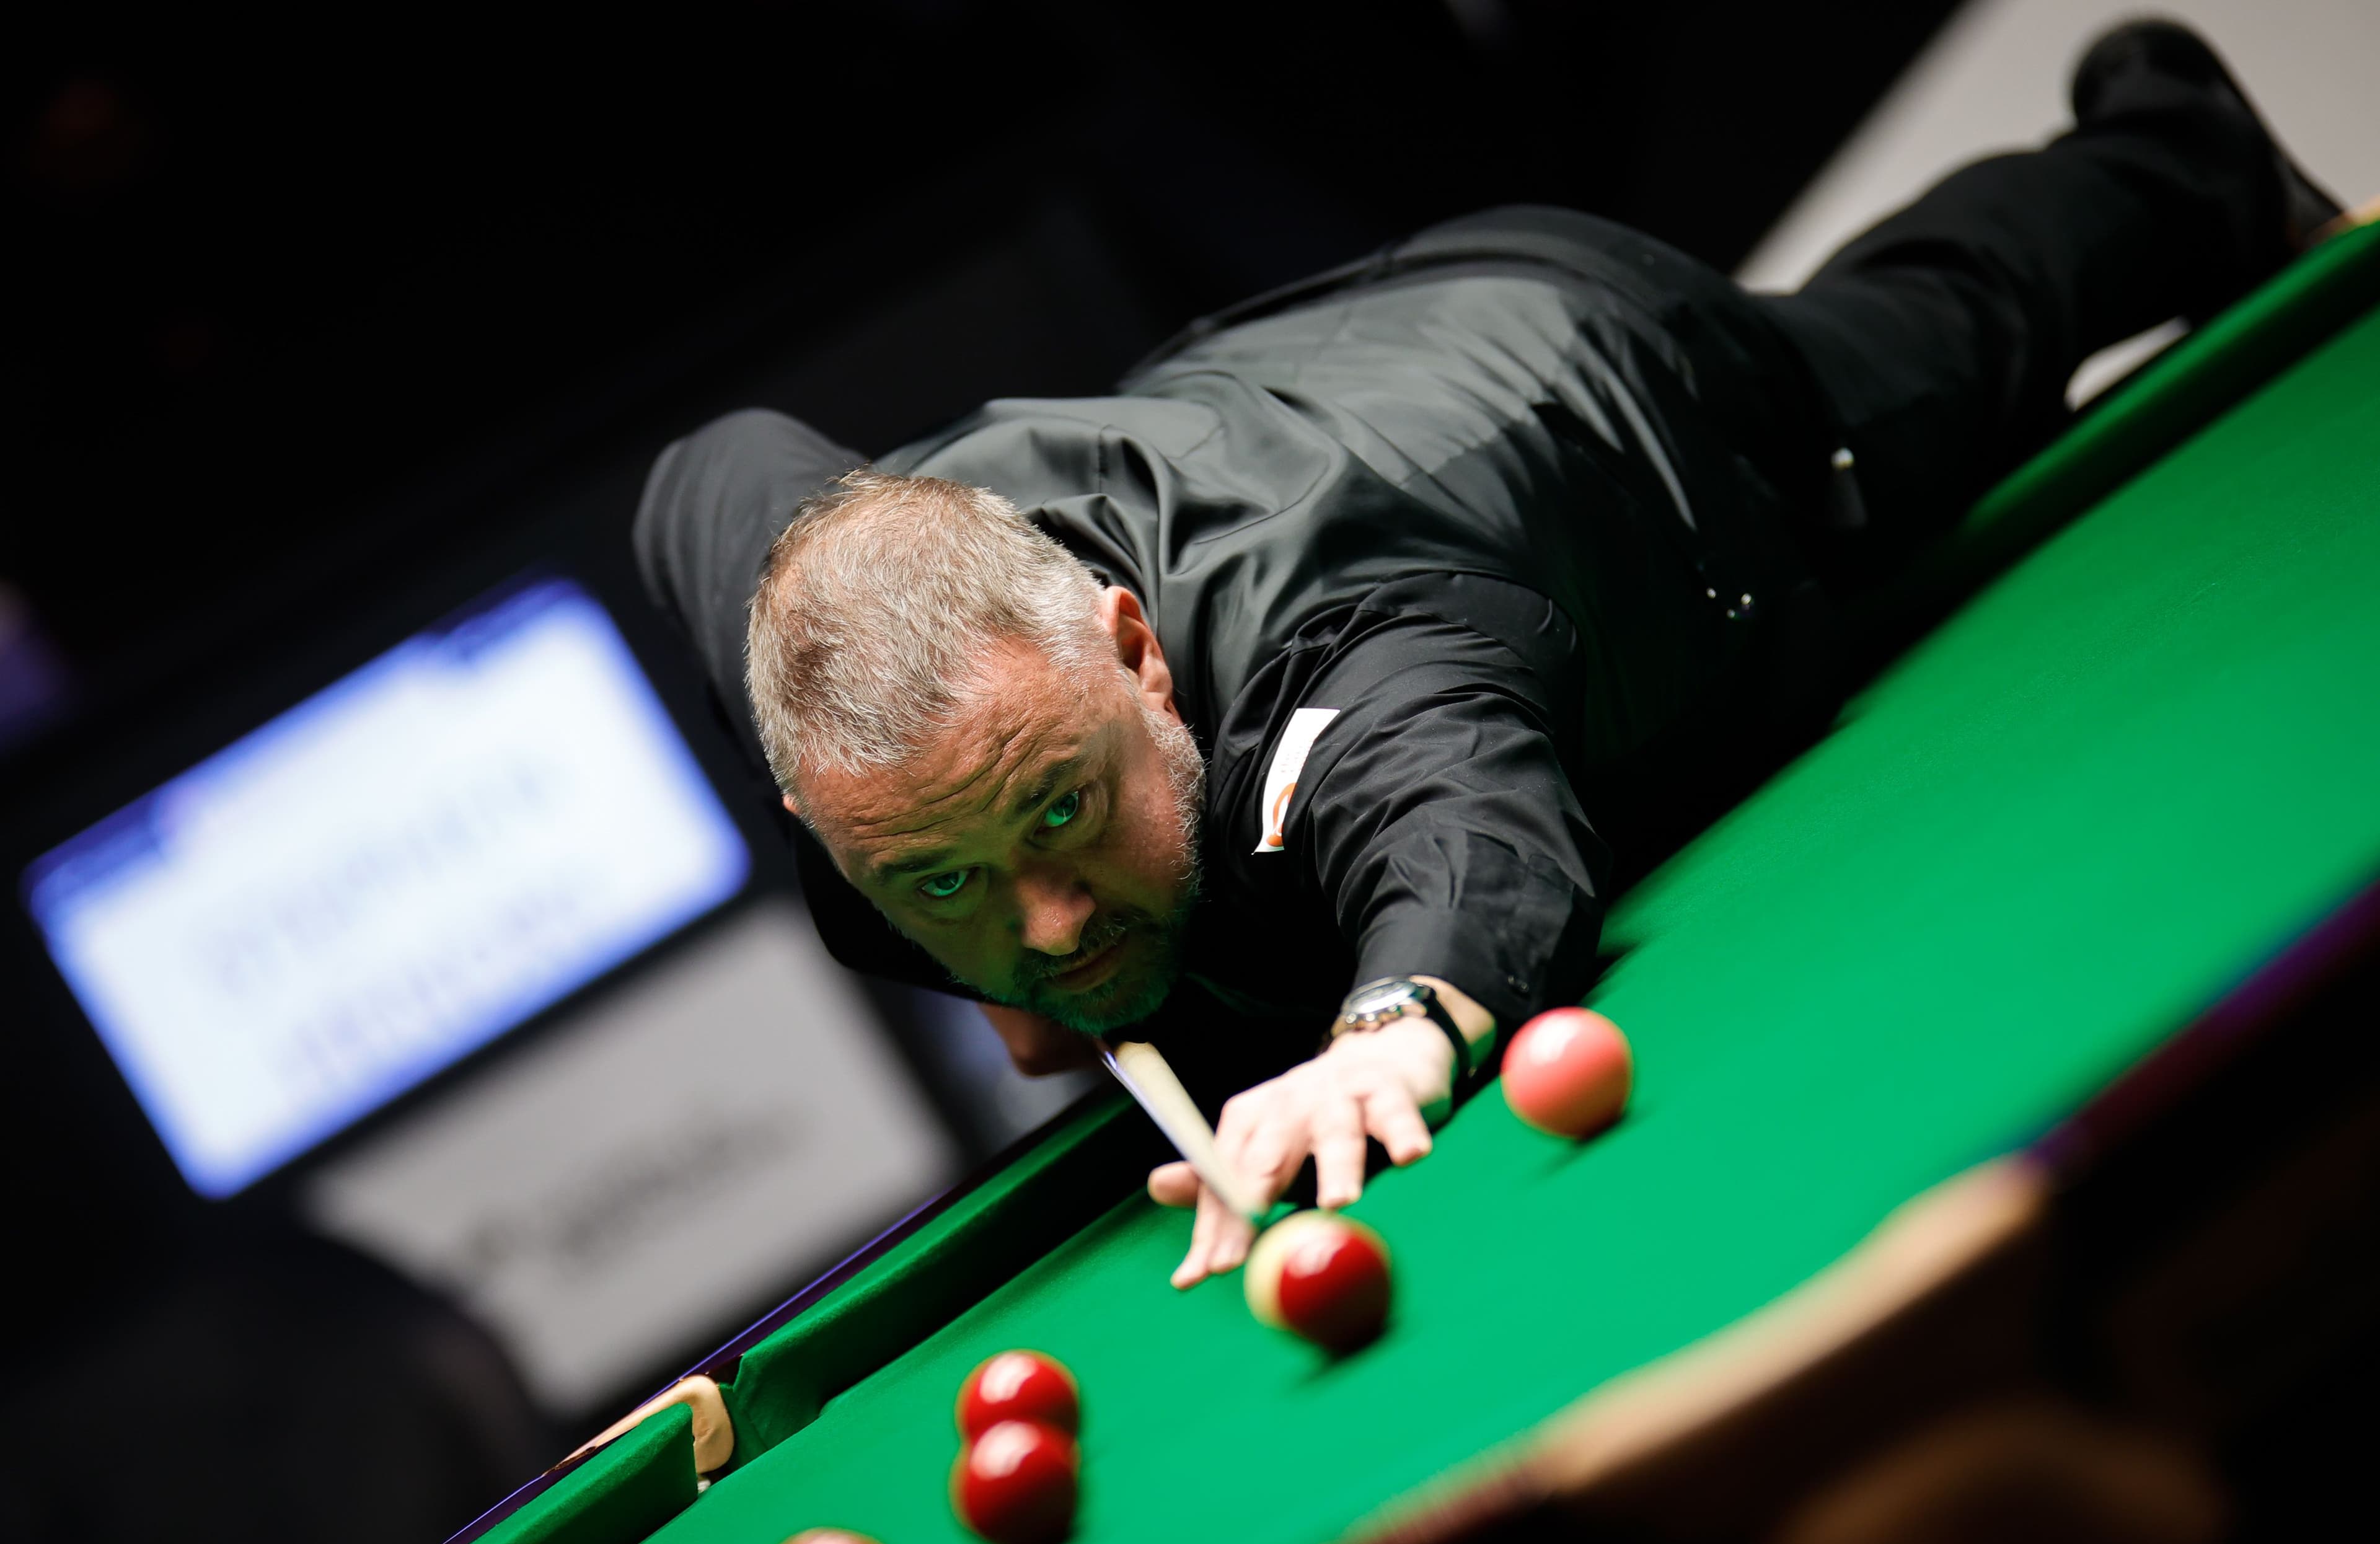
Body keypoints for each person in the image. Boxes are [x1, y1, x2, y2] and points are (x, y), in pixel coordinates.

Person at [633, 20, 2342, 1290]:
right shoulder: (833, 699)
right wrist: (1001, 925)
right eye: (941, 879)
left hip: (1596, 401)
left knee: (1932, 352)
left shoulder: (1338, 651)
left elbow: (1463, 805)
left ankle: (2181, 147)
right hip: (1284, 359)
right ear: (818, 805)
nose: (1044, 924)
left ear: (1136, 652)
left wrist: (1391, 1033)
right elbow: (707, 476)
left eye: (1066, 815)